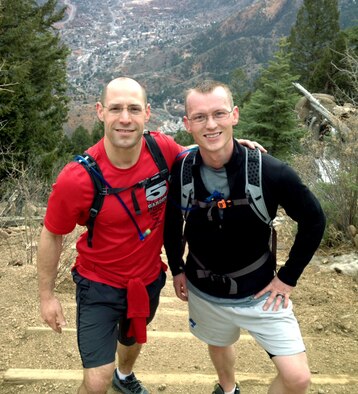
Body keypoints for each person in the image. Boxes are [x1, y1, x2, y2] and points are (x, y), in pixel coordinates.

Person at [37, 76, 262, 394]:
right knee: (96, 378)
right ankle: (110, 376)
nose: (125, 118)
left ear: (147, 113)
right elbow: (52, 234)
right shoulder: (77, 178)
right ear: (100, 111)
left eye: (133, 108)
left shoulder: (162, 150)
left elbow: (197, 154)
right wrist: (47, 297)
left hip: (147, 280)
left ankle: (125, 375)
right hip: (97, 284)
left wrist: (232, 146)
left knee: (131, 339)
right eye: (116, 108)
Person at [164, 80, 326, 394]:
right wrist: (177, 268)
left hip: (262, 292)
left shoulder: (270, 172)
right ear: (187, 124)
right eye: (199, 117)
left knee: (297, 379)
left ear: (234, 115)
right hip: (203, 288)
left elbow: (314, 219)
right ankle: (227, 389)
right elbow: (171, 223)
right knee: (218, 342)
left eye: (219, 114)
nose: (210, 124)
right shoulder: (182, 169)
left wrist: (288, 278)